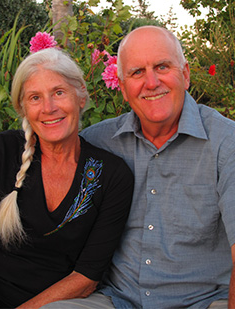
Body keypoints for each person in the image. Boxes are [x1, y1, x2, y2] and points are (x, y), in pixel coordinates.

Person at [46, 25, 235, 308]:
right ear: (122, 88)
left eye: (162, 66)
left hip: (203, 301)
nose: (151, 82)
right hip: (119, 300)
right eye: (137, 72)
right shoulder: (99, 143)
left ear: (185, 75)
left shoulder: (226, 143)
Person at [0, 48, 134, 308]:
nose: (49, 108)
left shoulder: (111, 175)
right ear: (23, 108)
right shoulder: (2, 152)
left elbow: (86, 277)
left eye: (59, 92)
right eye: (35, 98)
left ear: (80, 95)